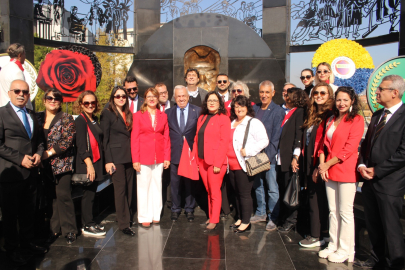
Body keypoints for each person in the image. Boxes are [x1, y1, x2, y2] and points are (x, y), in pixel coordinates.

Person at [356, 75, 405, 270]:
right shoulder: (377, 115)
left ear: (395, 92)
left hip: (390, 182)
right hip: (369, 180)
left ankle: (396, 263)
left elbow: (403, 152)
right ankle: (376, 259)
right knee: (373, 223)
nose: (377, 92)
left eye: (381, 89)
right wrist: (361, 166)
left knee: (391, 226)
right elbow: (366, 145)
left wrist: (378, 170)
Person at [0, 80, 47, 266]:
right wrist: (20, 158)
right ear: (10, 93)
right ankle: (12, 249)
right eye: (17, 91)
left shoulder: (32, 115)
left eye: (25, 92)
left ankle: (28, 244)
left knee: (28, 212)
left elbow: (40, 142)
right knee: (11, 215)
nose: (21, 94)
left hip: (31, 174)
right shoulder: (2, 114)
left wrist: (38, 153)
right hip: (11, 175)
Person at [317, 87, 364, 263]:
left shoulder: (356, 120)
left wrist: (327, 164)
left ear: (352, 101)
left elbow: (349, 149)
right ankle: (333, 244)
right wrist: (323, 165)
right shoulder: (331, 119)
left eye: (345, 100)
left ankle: (346, 249)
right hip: (329, 169)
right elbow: (323, 144)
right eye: (338, 100)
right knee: (332, 211)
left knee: (345, 212)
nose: (341, 103)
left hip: (345, 169)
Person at [36, 89, 78, 245]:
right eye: (50, 98)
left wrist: (49, 153)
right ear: (44, 100)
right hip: (43, 165)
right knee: (50, 198)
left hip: (62, 163)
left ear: (61, 101)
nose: (53, 100)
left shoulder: (66, 118)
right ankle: (54, 229)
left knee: (64, 196)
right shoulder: (38, 117)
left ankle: (70, 230)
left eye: (57, 98)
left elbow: (67, 140)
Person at [298, 82, 334, 248]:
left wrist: (320, 166)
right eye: (316, 93)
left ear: (329, 96)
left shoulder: (330, 116)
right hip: (309, 162)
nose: (319, 96)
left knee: (316, 200)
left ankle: (316, 235)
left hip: (322, 164)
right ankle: (322, 232)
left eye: (323, 93)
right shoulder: (312, 114)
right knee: (315, 199)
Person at [228, 95, 269, 233]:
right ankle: (240, 218)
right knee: (236, 193)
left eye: (242, 106)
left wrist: (249, 151)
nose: (239, 109)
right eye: (237, 106)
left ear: (247, 108)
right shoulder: (232, 122)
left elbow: (264, 140)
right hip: (231, 165)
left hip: (243, 164)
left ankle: (246, 222)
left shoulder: (253, 122)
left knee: (245, 194)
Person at [131, 88, 170, 228]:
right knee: (143, 186)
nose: (152, 99)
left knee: (157, 185)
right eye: (149, 96)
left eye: (154, 96)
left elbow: (166, 138)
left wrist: (167, 157)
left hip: (159, 156)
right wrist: (135, 159)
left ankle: (155, 214)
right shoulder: (137, 115)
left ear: (158, 98)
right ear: (145, 99)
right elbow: (134, 138)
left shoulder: (163, 115)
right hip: (143, 156)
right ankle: (144, 216)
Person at [100, 86, 135, 236]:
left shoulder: (128, 113)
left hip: (129, 156)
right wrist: (108, 161)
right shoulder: (107, 113)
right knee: (120, 191)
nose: (121, 98)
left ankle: (126, 217)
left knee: (130, 189)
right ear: (112, 98)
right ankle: (123, 224)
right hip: (116, 158)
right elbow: (105, 139)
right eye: (117, 96)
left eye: (123, 96)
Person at [250, 80, 285, 231]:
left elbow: (276, 136)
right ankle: (260, 213)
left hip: (269, 156)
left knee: (272, 188)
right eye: (261, 92)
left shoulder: (278, 111)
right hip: (254, 155)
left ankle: (273, 217)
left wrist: (268, 156)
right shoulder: (254, 108)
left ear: (273, 93)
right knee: (258, 186)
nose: (264, 95)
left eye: (267, 92)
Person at [194, 91, 230, 231]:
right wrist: (197, 161)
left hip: (216, 162)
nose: (212, 103)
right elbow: (197, 139)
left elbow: (224, 141)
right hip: (202, 160)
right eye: (209, 100)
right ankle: (211, 215)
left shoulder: (223, 118)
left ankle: (214, 219)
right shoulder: (202, 117)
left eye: (215, 100)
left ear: (220, 103)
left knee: (214, 191)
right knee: (209, 190)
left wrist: (218, 163)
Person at [166, 85, 201, 221]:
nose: (181, 98)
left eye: (183, 96)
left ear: (188, 97)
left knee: (189, 183)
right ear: (175, 98)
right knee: (174, 184)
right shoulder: (168, 113)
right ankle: (175, 209)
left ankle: (189, 209)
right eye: (178, 96)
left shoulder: (197, 111)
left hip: (190, 154)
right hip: (174, 153)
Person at [73, 91, 106, 236]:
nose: (90, 105)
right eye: (86, 103)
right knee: (88, 195)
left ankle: (90, 222)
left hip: (95, 161)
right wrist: (89, 164)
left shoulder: (93, 119)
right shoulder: (80, 121)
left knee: (92, 194)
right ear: (81, 104)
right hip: (88, 163)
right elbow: (80, 145)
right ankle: (87, 225)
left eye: (93, 102)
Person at [277, 87, 308, 233]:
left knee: (291, 190)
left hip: (291, 158)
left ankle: (292, 220)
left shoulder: (299, 112)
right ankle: (284, 217)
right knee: (283, 188)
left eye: (288, 97)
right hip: (281, 157)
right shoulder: (288, 113)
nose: (285, 99)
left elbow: (298, 135)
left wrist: (296, 156)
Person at [0, 43, 33, 109]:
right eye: (24, 54)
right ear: (20, 55)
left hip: (3, 108)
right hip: (14, 110)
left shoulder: (4, 68)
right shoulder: (17, 71)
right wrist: (29, 108)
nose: (25, 57)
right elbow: (23, 92)